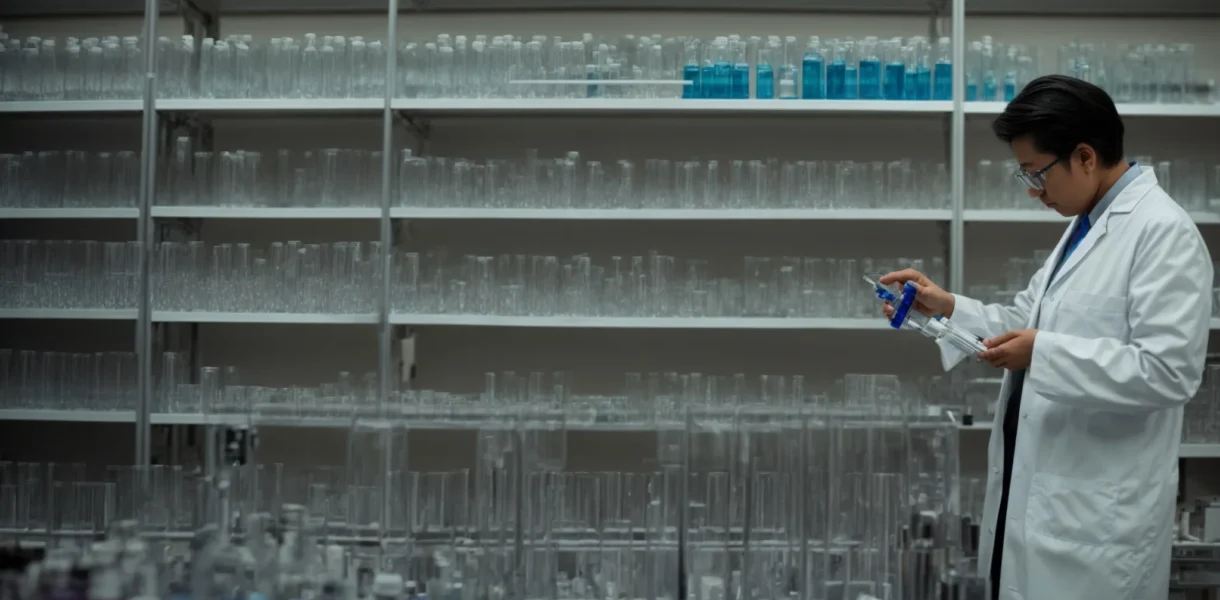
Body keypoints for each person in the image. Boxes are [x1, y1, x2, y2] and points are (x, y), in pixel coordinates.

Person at [880, 74, 1212, 600]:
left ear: (1084, 156)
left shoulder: (1161, 232)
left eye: (1036, 173)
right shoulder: (1084, 225)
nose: (1034, 191)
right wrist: (946, 307)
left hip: (1096, 525)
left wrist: (1043, 353)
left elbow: (1169, 373)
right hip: (1040, 502)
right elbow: (1025, 319)